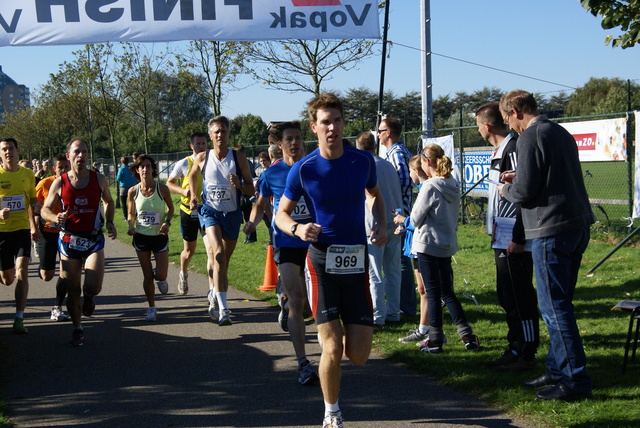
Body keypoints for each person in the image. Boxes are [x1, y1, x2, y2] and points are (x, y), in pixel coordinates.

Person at [275, 93, 387, 428]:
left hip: (356, 262)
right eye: (325, 122)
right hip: (321, 262)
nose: (332, 127)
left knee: (360, 354)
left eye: (337, 120)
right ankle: (331, 412)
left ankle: (333, 398)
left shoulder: (362, 162)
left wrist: (379, 222)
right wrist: (297, 227)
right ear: (314, 127)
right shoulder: (304, 169)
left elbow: (375, 197)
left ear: (343, 124)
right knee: (332, 347)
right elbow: (281, 215)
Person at [498, 90, 593, 401]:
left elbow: (524, 192)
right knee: (561, 302)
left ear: (514, 110)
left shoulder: (529, 136)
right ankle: (556, 367)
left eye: (507, 120)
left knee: (555, 308)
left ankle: (574, 381)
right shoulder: (559, 131)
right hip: (576, 225)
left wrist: (505, 189)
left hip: (550, 229)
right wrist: (521, 176)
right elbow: (549, 177)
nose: (510, 127)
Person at [244, 121, 319, 385]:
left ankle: (327, 350)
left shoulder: (314, 167)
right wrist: (252, 222)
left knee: (314, 302)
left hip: (314, 242)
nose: (295, 143)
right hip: (286, 243)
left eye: (299, 138)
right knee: (298, 300)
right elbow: (260, 203)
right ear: (280, 144)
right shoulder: (271, 174)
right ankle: (302, 363)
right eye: (290, 139)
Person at [475, 102, 539, 372]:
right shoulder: (498, 151)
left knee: (519, 294)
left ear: (487, 126)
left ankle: (527, 349)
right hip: (501, 236)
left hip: (514, 238)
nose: (477, 129)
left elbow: (522, 194)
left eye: (477, 124)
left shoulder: (513, 148)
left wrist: (519, 236)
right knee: (506, 294)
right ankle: (514, 345)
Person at [41, 138, 117, 347]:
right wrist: (55, 218)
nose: (81, 156)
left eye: (84, 152)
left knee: (92, 285)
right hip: (69, 239)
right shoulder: (60, 182)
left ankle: (90, 297)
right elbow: (44, 209)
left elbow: (109, 201)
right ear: (69, 156)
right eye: (77, 152)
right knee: (72, 289)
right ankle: (78, 328)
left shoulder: (98, 179)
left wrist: (109, 220)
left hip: (93, 238)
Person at [412, 143, 480, 354]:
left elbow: (415, 218)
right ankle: (467, 335)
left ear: (427, 162)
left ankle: (435, 340)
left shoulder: (431, 186)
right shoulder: (452, 182)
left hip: (428, 244)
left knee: (432, 294)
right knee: (447, 293)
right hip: (446, 244)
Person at [188, 116, 254, 326]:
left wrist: (240, 184)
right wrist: (192, 195)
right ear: (210, 136)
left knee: (223, 263)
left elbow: (252, 188)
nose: (220, 135)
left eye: (223, 131)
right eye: (216, 132)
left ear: (228, 134)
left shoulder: (238, 157)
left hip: (232, 215)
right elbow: (192, 176)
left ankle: (215, 294)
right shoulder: (202, 157)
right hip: (210, 212)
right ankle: (224, 309)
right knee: (217, 255)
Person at [355, 132, 402, 327]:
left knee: (375, 272)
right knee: (393, 271)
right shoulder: (388, 164)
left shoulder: (362, 167)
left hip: (374, 226)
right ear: (375, 146)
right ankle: (393, 312)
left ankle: (378, 315)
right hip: (395, 221)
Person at [127, 154, 174, 321]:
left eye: (148, 166)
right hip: (141, 237)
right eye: (142, 167)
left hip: (159, 236)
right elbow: (131, 213)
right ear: (137, 170)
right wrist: (130, 225)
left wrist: (167, 222)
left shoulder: (162, 189)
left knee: (160, 275)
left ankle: (159, 276)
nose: (145, 169)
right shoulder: (133, 191)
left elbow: (171, 209)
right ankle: (152, 308)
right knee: (147, 276)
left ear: (153, 169)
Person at [0, 138, 39, 334]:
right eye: (4, 149)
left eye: (11, 148)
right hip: (2, 231)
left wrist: (35, 223)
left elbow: (32, 200)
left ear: (17, 150)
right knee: (7, 279)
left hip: (22, 229)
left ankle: (19, 317)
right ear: (0, 153)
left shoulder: (28, 174)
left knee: (22, 270)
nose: (8, 152)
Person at [378, 117, 416, 318]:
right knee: (399, 260)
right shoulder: (392, 153)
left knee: (401, 261)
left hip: (399, 215)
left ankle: (406, 306)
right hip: (398, 214)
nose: (378, 134)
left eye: (381, 130)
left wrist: (396, 211)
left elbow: (403, 182)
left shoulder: (397, 154)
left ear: (389, 132)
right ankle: (402, 304)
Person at [166, 132, 209, 295]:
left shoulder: (211, 161)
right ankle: (183, 273)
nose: (201, 147)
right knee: (189, 251)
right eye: (198, 144)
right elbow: (169, 183)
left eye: (204, 143)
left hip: (207, 211)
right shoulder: (184, 163)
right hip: (188, 211)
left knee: (211, 250)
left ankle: (213, 289)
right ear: (192, 146)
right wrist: (183, 190)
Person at [395, 155, 432, 343]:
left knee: (430, 290)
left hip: (426, 246)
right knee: (422, 289)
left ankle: (434, 331)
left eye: (410, 171)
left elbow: (417, 221)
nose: (408, 175)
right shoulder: (422, 190)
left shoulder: (427, 189)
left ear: (417, 171)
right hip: (417, 245)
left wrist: (403, 221)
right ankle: (424, 328)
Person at [35, 153, 72, 322]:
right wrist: (34, 225)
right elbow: (33, 205)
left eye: (66, 167)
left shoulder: (74, 182)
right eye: (60, 167)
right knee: (47, 275)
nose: (63, 170)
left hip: (67, 234)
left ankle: (57, 307)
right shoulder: (45, 183)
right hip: (47, 232)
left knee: (66, 272)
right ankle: (43, 267)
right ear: (54, 169)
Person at [117, 156, 137, 221]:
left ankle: (126, 217)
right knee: (133, 202)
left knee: (123, 203)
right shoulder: (132, 168)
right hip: (133, 187)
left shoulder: (121, 169)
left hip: (124, 187)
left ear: (121, 162)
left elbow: (118, 178)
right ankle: (135, 215)